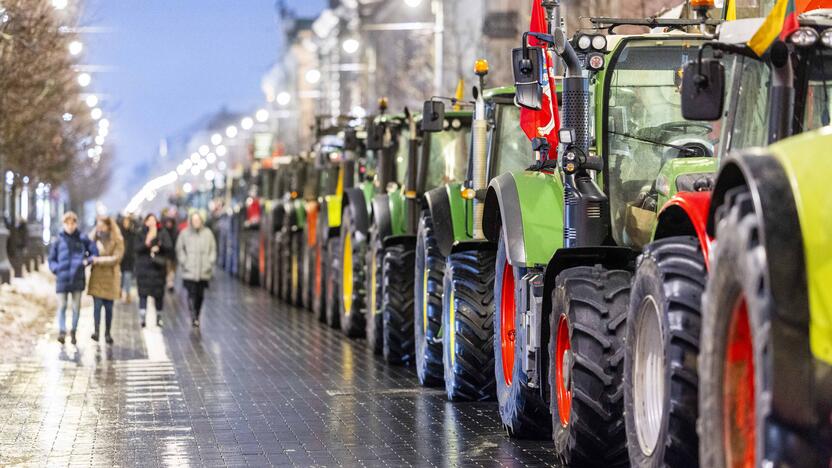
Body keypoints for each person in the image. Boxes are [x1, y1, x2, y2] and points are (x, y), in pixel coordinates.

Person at [48, 211, 97, 344]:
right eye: (67, 223)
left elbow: (94, 251)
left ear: (76, 223)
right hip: (62, 279)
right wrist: (56, 269)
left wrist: (87, 261)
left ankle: (73, 331)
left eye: (72, 223)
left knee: (76, 307)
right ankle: (62, 331)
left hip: (77, 277)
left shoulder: (82, 238)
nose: (70, 226)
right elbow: (51, 259)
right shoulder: (58, 240)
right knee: (62, 306)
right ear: (64, 224)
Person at [87, 215, 124, 343]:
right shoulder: (94, 239)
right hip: (97, 276)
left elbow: (116, 258)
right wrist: (94, 233)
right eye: (98, 225)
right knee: (96, 307)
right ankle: (96, 331)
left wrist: (98, 260)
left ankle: (107, 333)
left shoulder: (117, 239)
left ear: (109, 226)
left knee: (109, 308)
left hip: (111, 277)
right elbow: (86, 246)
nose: (100, 228)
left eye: (102, 225)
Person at [176, 211, 216, 327]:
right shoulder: (184, 233)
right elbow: (179, 249)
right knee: (191, 293)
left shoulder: (208, 233)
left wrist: (209, 262)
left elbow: (213, 249)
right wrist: (184, 262)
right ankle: (193, 315)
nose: (196, 222)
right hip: (189, 270)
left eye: (198, 220)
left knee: (200, 295)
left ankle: (197, 313)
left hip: (204, 270)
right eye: (194, 220)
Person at [134, 214, 173, 328]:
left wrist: (160, 246)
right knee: (143, 294)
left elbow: (169, 247)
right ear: (145, 222)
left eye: (153, 220)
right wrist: (146, 243)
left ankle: (159, 317)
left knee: (158, 294)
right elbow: (136, 248)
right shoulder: (141, 233)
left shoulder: (162, 233)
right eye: (149, 220)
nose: (151, 222)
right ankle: (142, 317)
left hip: (158, 269)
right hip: (144, 268)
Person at [119, 216, 138, 302]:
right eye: (125, 222)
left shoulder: (132, 233)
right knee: (121, 276)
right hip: (121, 259)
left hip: (129, 259)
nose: (126, 224)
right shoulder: (119, 234)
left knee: (127, 276)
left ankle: (127, 294)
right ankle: (120, 291)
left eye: (128, 222)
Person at [162, 214, 179, 292]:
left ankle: (170, 283)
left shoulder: (176, 231)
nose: (169, 224)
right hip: (167, 255)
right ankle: (169, 284)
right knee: (168, 270)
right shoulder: (163, 231)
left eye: (170, 222)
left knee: (173, 270)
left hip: (174, 254)